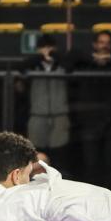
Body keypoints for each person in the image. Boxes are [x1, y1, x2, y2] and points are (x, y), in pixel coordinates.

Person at [71, 30, 111, 190]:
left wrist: (109, 58)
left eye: (107, 43)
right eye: (101, 42)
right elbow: (69, 57)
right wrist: (94, 58)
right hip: (90, 121)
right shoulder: (85, 62)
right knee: (90, 164)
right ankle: (91, 199)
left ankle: (109, 199)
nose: (104, 46)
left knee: (110, 163)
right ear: (94, 45)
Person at [23, 34, 71, 167]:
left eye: (50, 47)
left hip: (59, 114)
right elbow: (20, 66)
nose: (47, 50)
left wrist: (54, 56)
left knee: (59, 154)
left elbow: (71, 66)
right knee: (36, 154)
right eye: (43, 47)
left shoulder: (62, 64)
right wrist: (40, 57)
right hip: (38, 114)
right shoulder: (34, 65)